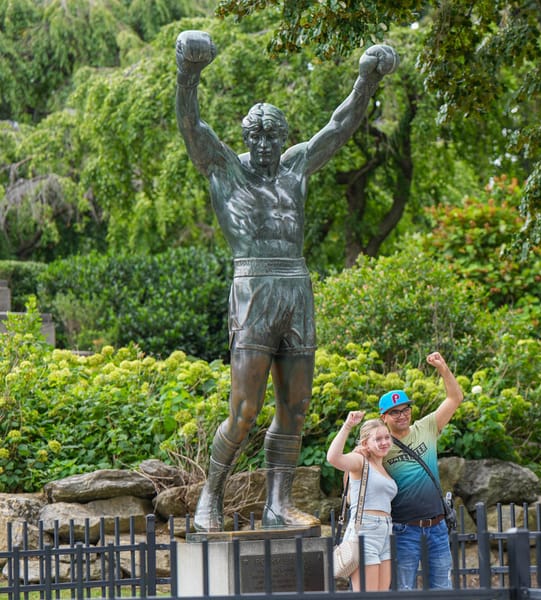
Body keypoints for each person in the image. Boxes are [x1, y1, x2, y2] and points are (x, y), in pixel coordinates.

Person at [174, 30, 398, 532]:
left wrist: (366, 78)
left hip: (296, 288)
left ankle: (277, 504)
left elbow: (340, 127)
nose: (267, 144)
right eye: (258, 136)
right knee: (245, 408)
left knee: (295, 406)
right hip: (253, 288)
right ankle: (210, 495)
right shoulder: (224, 169)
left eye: (275, 136)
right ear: (246, 136)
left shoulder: (296, 166)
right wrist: (187, 73)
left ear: (283, 136)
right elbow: (191, 124)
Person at [380, 351, 463, 590]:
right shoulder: (381, 446)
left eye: (405, 409)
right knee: (404, 590)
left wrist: (443, 369)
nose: (402, 415)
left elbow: (455, 398)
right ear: (384, 417)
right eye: (395, 412)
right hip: (404, 529)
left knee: (442, 590)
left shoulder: (426, 427)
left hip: (437, 527)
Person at [326, 411, 397, 591]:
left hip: (386, 532)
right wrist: (348, 426)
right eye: (377, 439)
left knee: (382, 594)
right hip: (366, 530)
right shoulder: (360, 461)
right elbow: (333, 458)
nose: (384, 442)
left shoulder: (384, 467)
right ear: (366, 443)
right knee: (368, 595)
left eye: (387, 437)